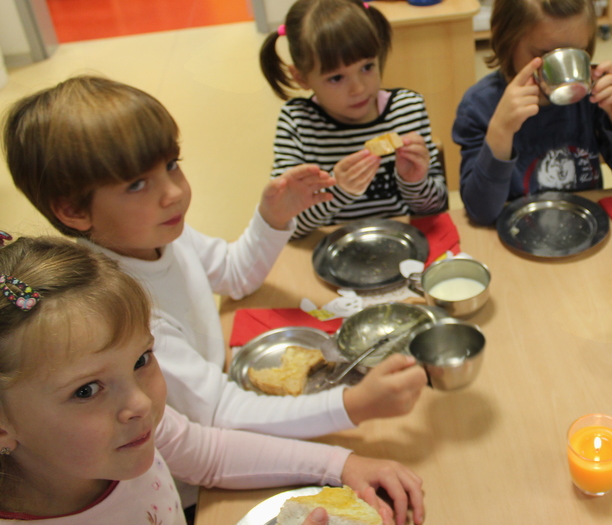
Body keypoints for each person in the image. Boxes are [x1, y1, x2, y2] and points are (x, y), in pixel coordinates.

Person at [2, 76, 428, 503]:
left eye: (172, 165)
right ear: (73, 210)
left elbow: (232, 273)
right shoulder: (123, 311)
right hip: (204, 481)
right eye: (136, 184)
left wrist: (274, 217)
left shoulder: (159, 235)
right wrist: (353, 404)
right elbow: (222, 415)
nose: (174, 193)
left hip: (219, 402)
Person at [0, 234, 424, 525]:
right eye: (86, 390)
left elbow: (209, 454)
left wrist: (340, 464)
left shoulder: (131, 430)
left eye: (142, 359)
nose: (142, 403)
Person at [452, 0, 612, 225]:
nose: (561, 72)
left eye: (576, 53)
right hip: (516, 235)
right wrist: (500, 132)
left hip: (582, 229)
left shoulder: (591, 97)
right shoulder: (480, 106)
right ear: (505, 36)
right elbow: (480, 212)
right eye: (544, 55)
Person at [261, 0, 448, 237]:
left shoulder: (407, 109)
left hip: (400, 242)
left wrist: (414, 182)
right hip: (333, 246)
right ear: (302, 77)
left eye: (367, 67)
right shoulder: (298, 123)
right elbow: (288, 226)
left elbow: (437, 208)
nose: (359, 88)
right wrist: (339, 191)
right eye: (336, 78)